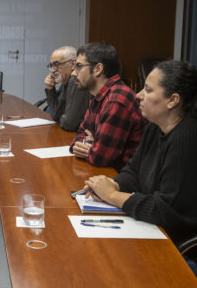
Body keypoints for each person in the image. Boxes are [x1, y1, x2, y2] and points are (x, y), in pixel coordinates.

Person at [83, 60, 197, 247]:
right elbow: (134, 171)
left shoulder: (187, 138)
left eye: (148, 90)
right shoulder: (155, 127)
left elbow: (164, 210)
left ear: (173, 100)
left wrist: (112, 196)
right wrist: (112, 184)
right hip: (150, 230)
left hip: (175, 245)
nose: (138, 95)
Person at [70, 42, 146, 170]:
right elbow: (81, 132)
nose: (73, 73)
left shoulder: (117, 99)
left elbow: (100, 157)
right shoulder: (98, 95)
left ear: (98, 69)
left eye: (79, 66)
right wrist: (89, 143)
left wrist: (90, 143)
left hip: (120, 176)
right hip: (106, 172)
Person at [44, 46, 90, 131]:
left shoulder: (75, 81)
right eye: (51, 66)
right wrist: (51, 89)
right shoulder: (66, 81)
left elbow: (69, 124)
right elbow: (55, 115)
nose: (52, 70)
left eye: (56, 65)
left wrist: (62, 117)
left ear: (73, 64)